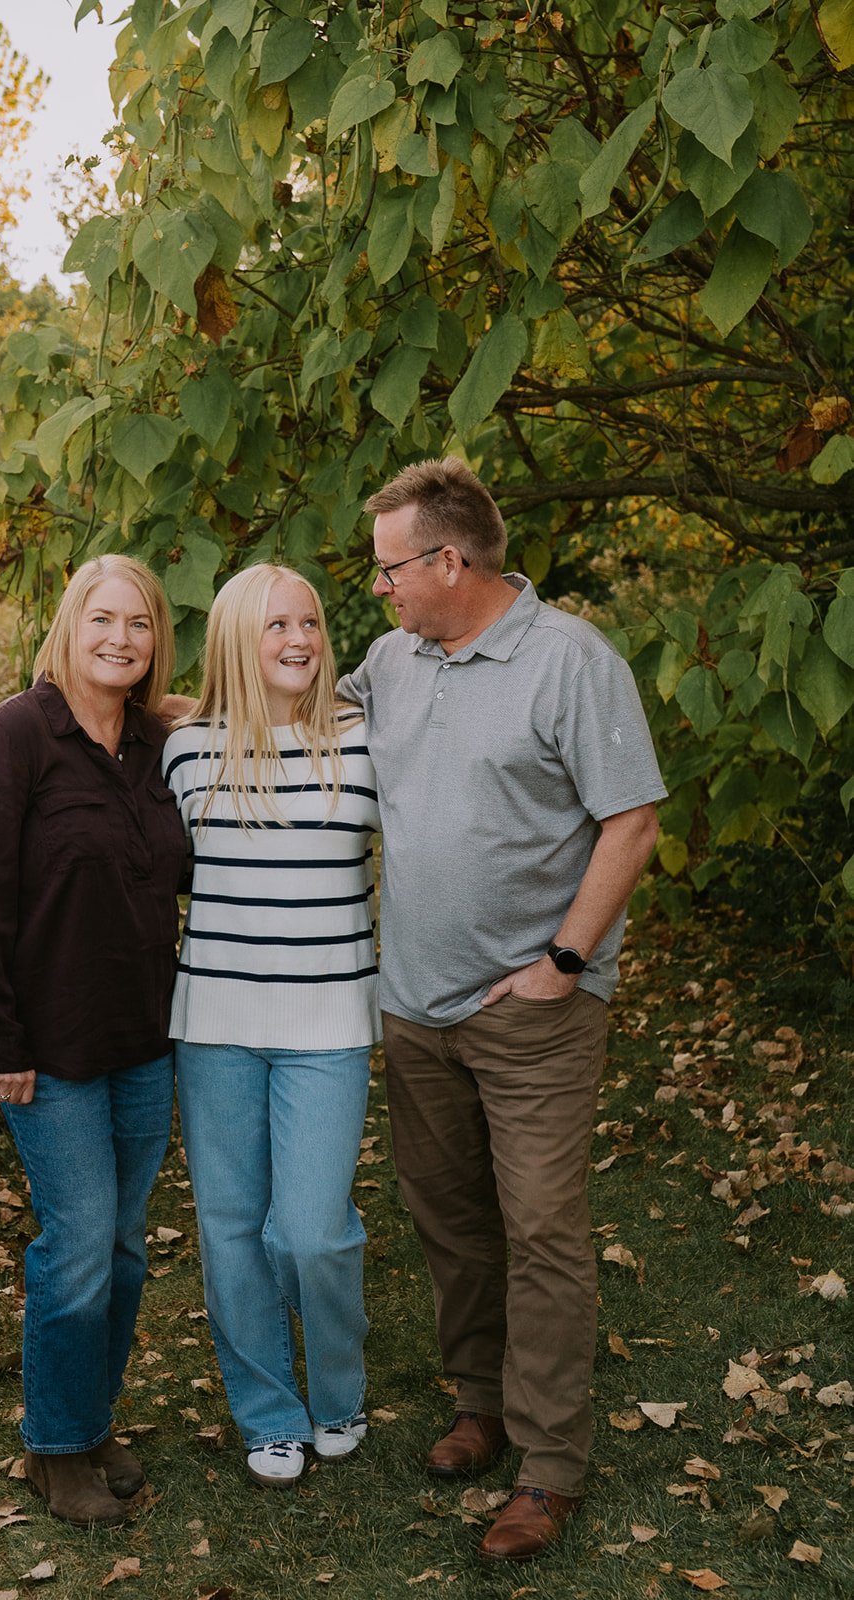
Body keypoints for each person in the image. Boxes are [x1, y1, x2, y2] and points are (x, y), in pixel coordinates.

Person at [338, 458, 666, 1561]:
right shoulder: (390, 662)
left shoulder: (570, 661)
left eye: (388, 568)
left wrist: (563, 961)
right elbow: (286, 713)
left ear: (447, 560)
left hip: (531, 1008)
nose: (375, 589)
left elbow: (631, 823)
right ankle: (481, 1400)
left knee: (540, 1230)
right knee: (450, 1220)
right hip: (413, 1001)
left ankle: (550, 1462)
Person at [0, 555, 186, 1527]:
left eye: (139, 624)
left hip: (145, 1038)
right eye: (103, 620)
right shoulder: (13, 737)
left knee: (122, 1249)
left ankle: (87, 1418)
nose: (120, 639)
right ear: (68, 626)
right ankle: (53, 1449)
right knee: (78, 1243)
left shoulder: (156, 744)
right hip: (45, 1047)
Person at [162, 564, 381, 1488]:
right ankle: (268, 1413)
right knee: (231, 1230)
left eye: (312, 623)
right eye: (275, 625)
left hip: (330, 1020)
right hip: (213, 1023)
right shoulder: (186, 750)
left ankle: (338, 1391)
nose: (299, 639)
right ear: (234, 641)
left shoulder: (369, 741)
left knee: (311, 1232)